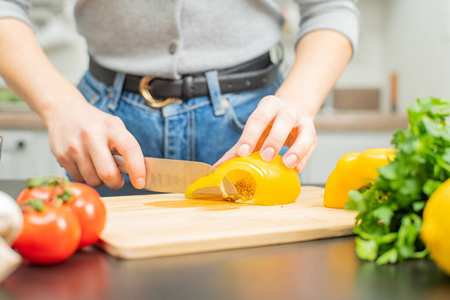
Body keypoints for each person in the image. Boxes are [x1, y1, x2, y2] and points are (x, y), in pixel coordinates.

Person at [0, 0, 359, 196]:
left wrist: (296, 101)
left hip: (253, 128)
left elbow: (331, 7)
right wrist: (59, 105)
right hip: (103, 126)